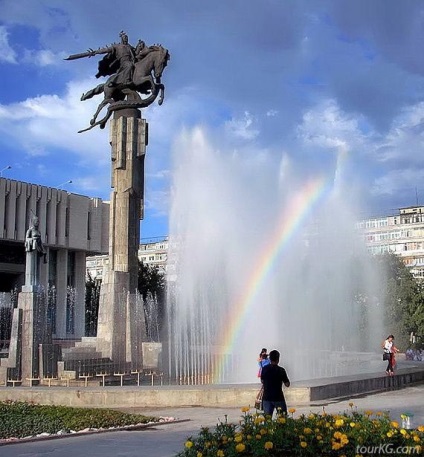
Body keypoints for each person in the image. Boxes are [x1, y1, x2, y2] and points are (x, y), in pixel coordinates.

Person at [260, 349, 290, 416]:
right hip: (278, 397)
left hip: (267, 397)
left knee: (267, 420)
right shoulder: (281, 370)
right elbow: (287, 384)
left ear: (270, 359)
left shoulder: (264, 369)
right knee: (282, 418)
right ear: (278, 359)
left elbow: (262, 381)